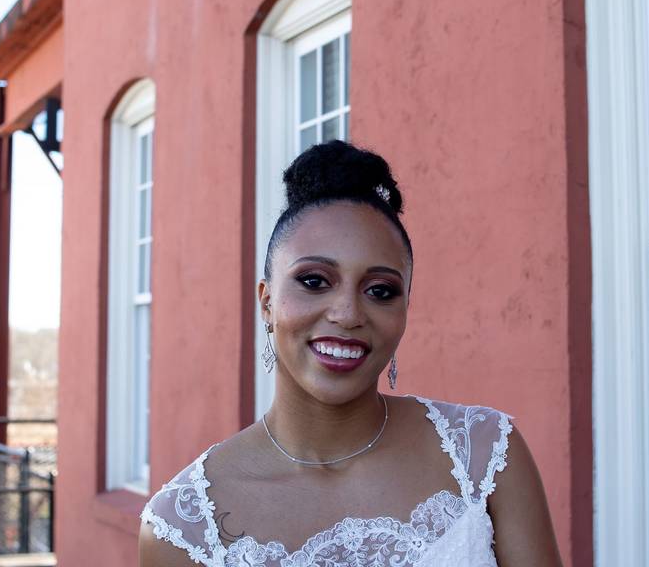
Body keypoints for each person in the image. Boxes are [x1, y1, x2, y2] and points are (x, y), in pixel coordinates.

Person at [139, 141, 562, 566]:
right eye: (314, 281)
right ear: (266, 301)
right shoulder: (184, 527)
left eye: (380, 291)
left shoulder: (485, 457)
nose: (347, 314)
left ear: (404, 311)